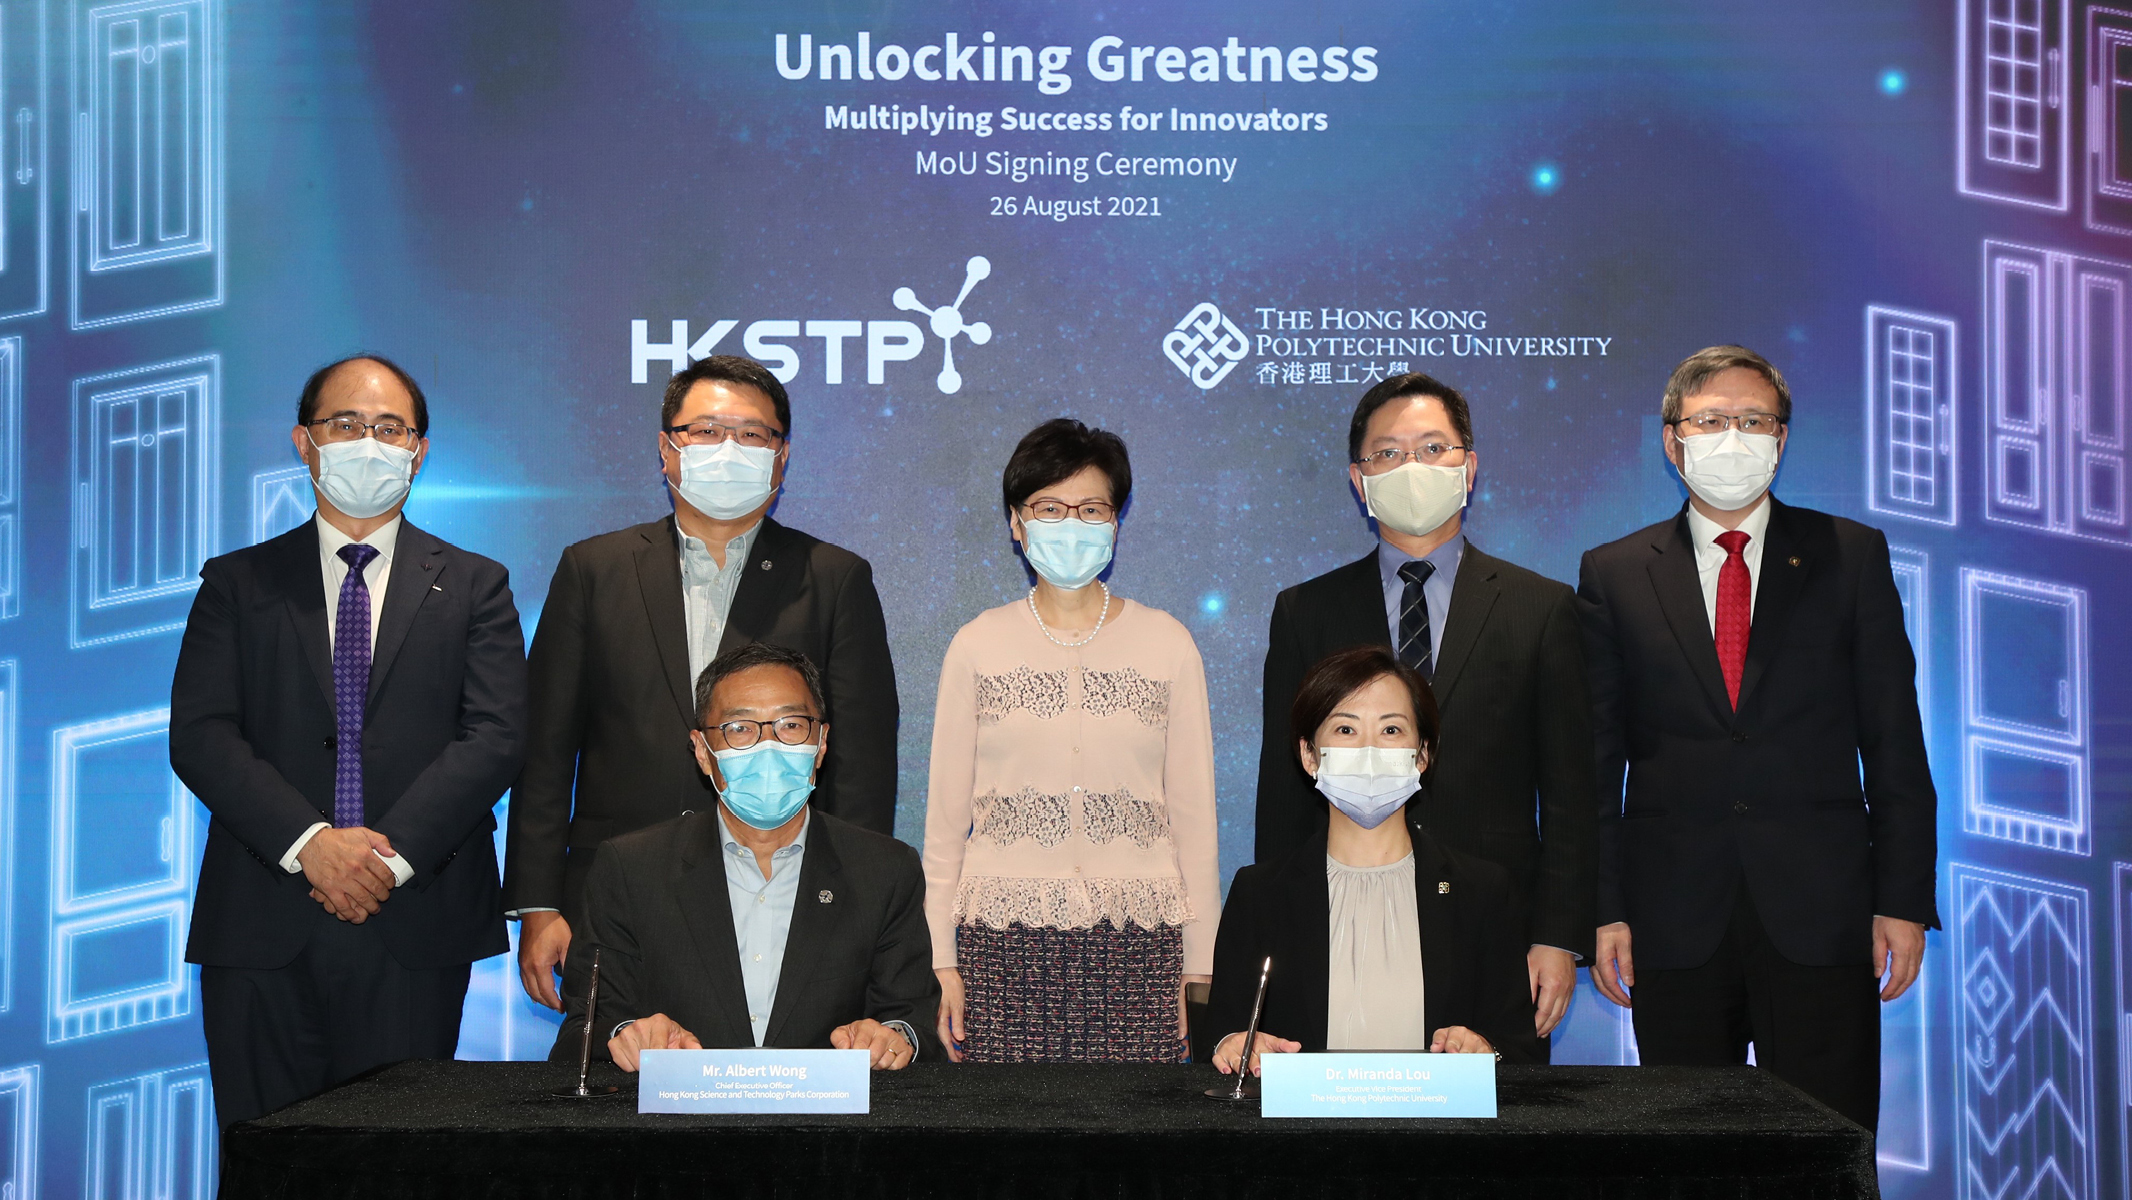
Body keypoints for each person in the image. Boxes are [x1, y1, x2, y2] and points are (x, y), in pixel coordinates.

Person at [1578, 345, 1938, 1131]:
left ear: (1782, 438)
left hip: (1823, 912)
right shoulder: (1613, 572)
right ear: (1673, 441)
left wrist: (1904, 899)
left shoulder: (1851, 554)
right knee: (1683, 1154)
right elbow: (1597, 764)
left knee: (1826, 1144)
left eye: (1754, 421)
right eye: (1711, 421)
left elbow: (1895, 741)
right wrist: (1604, 910)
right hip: (1673, 916)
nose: (1732, 439)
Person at [171, 356, 526, 1128]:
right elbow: (201, 734)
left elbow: (496, 735)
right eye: (346, 424)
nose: (370, 442)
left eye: (390, 427)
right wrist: (310, 844)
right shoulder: (237, 583)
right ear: (305, 442)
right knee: (265, 1162)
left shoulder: (476, 585)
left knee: (397, 1166)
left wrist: (383, 858)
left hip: (414, 917)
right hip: (262, 919)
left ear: (420, 450)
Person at [505, 354, 899, 1013]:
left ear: (782, 458)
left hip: (783, 897)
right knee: (613, 1104)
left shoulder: (834, 579)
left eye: (752, 435)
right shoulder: (594, 569)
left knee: (776, 1108)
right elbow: (544, 752)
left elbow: (861, 767)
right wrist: (541, 904)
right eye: (706, 431)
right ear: (667, 450)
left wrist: (852, 914)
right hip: (615, 900)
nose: (728, 450)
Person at [1253, 372, 1596, 1047]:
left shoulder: (1542, 608)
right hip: (1341, 920)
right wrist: (1281, 933)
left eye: (1433, 447)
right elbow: (1283, 789)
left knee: (1488, 1138)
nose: (1412, 467)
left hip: (1493, 930)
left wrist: (1558, 936)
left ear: (1468, 466)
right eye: (1388, 453)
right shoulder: (1306, 611)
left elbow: (1571, 793)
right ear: (1359, 479)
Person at [922, 418, 1221, 1063]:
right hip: (1003, 941)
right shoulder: (976, 645)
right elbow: (946, 824)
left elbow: (1194, 819)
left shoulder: (1167, 642)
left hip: (1140, 942)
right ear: (1016, 522)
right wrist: (942, 959)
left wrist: (1199, 966)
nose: (1070, 524)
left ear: (1116, 521)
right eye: (1049, 508)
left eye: (1090, 509)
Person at [552, 642, 937, 1070]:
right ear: (702, 750)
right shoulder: (630, 869)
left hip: (829, 1130)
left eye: (791, 725)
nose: (768, 747)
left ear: (822, 741)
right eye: (740, 728)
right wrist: (623, 1036)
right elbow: (584, 1030)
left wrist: (893, 1039)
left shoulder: (885, 871)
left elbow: (913, 1018)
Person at [1208, 646, 1541, 1074]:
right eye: (1345, 730)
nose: (1368, 750)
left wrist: (1484, 1051)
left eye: (1390, 731)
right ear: (1310, 755)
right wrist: (1237, 1047)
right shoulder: (1259, 893)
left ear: (1422, 754)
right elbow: (1225, 1033)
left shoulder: (1482, 891)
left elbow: (1518, 1053)